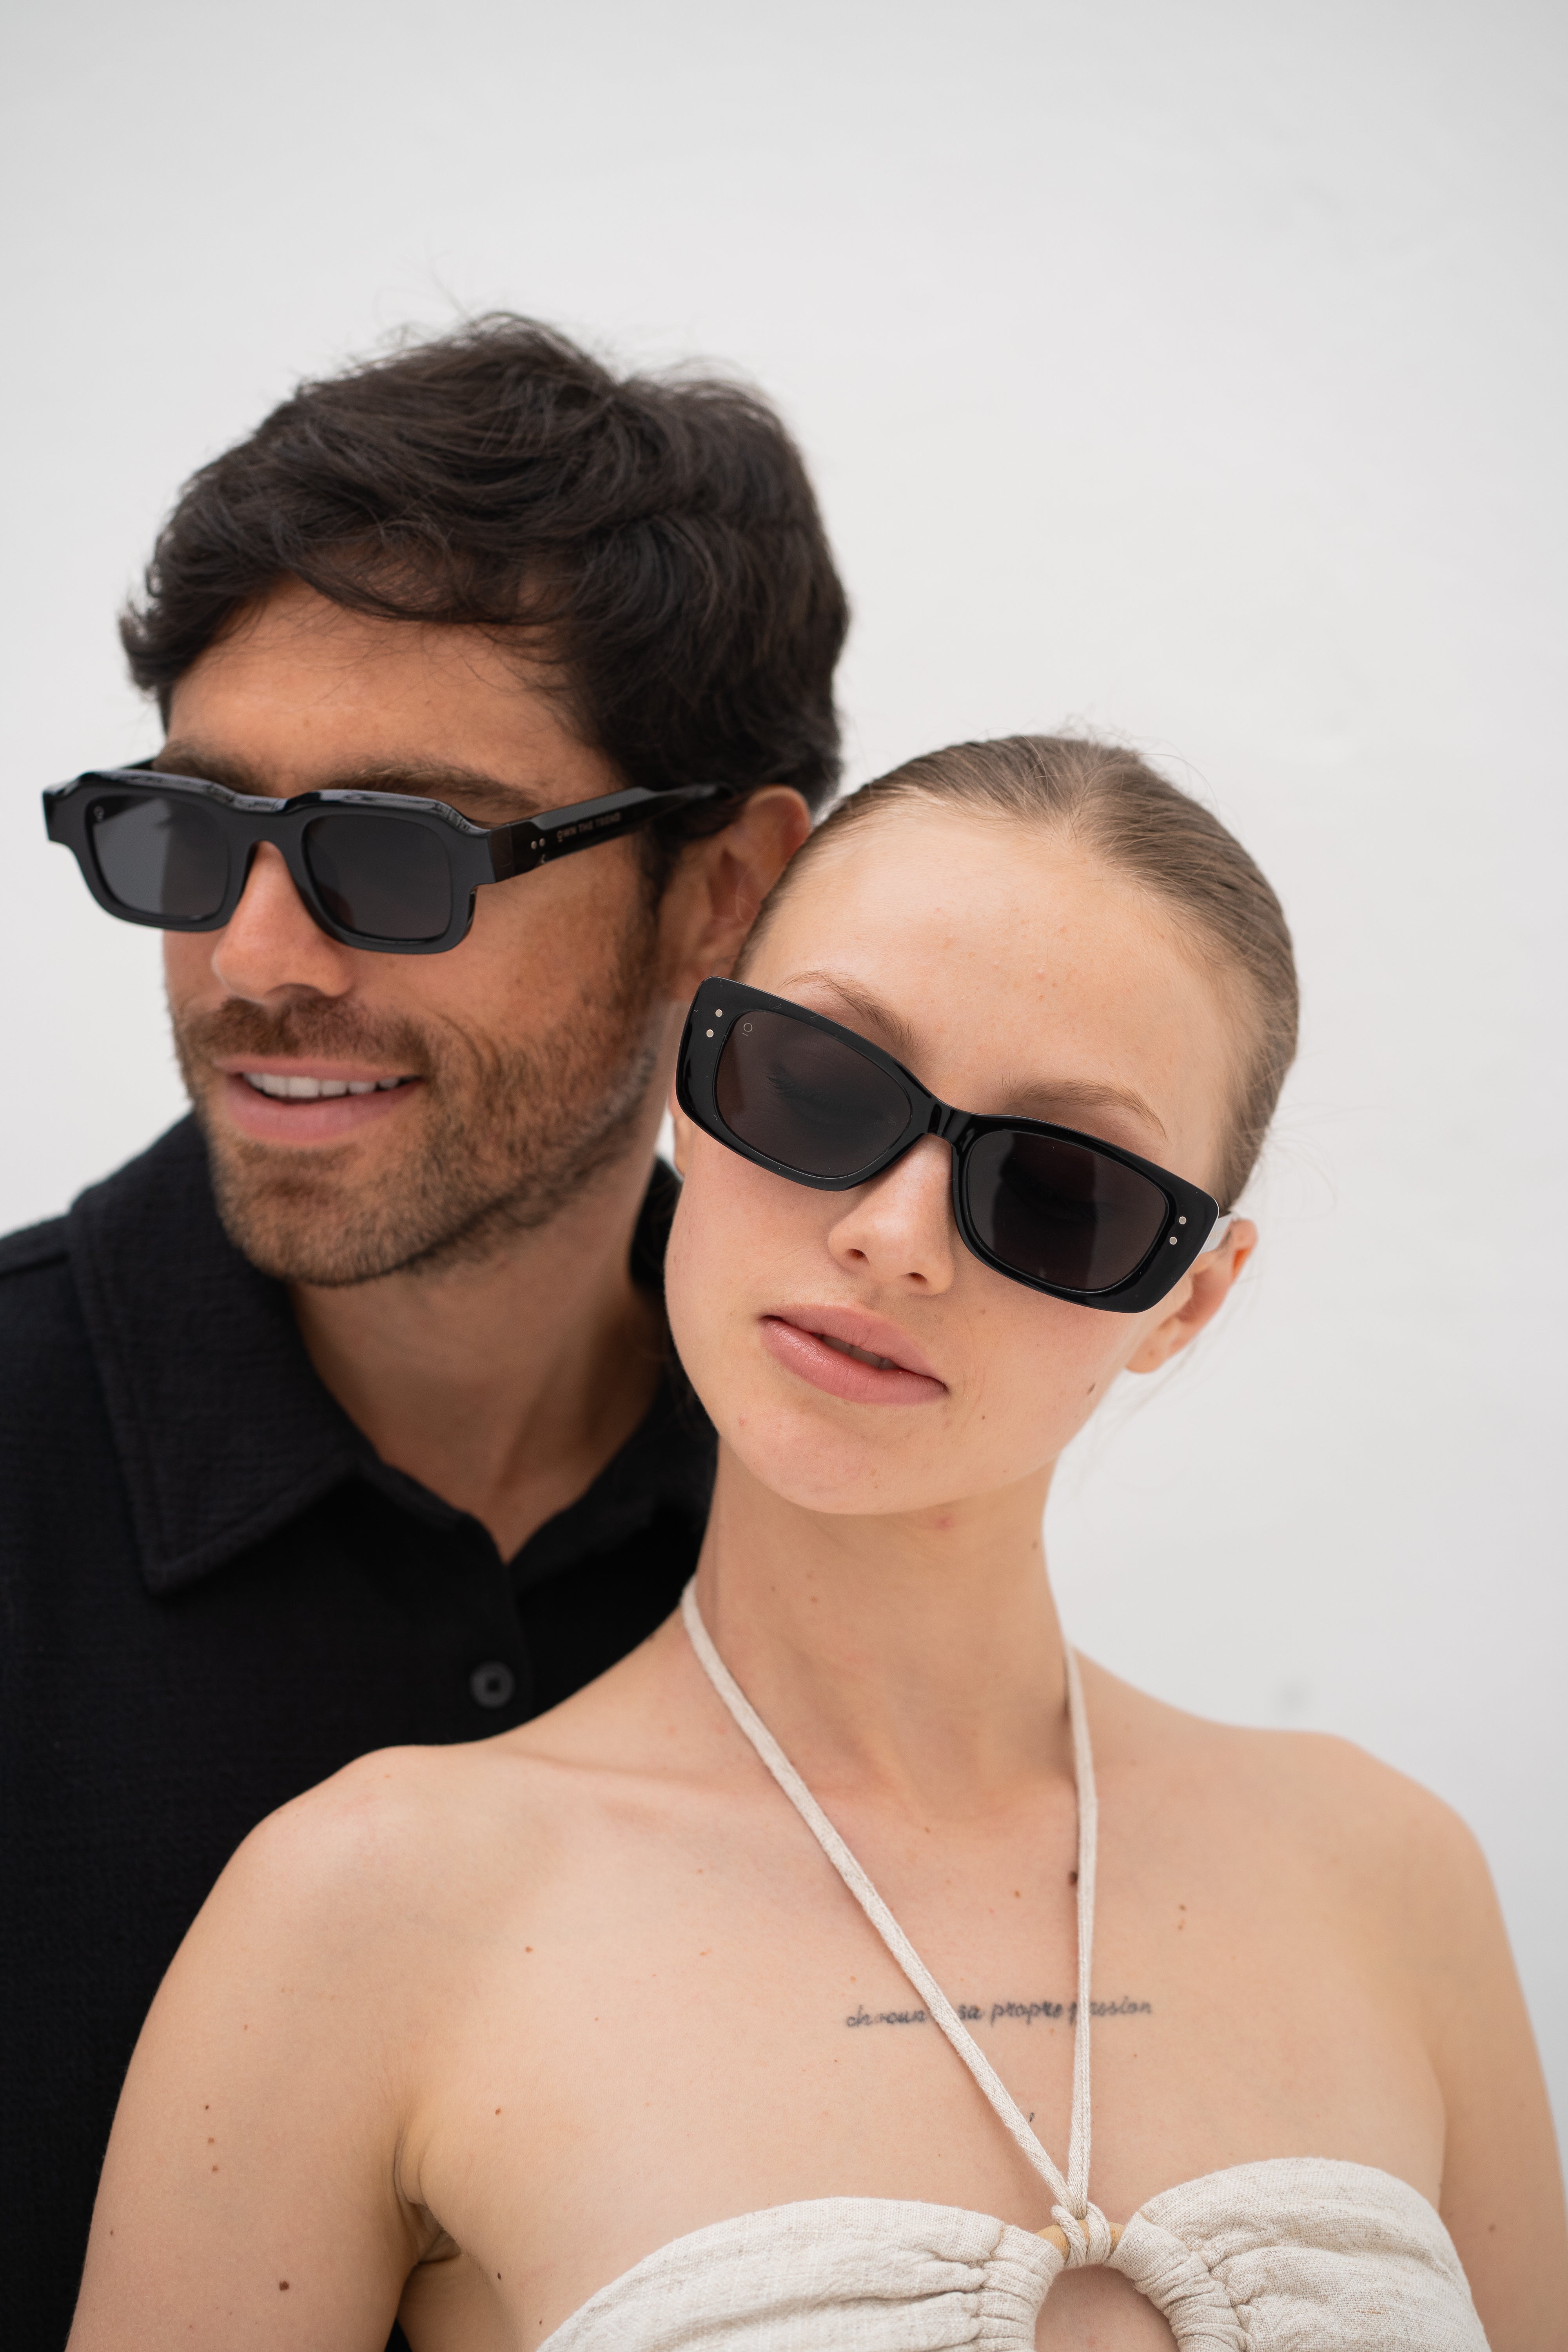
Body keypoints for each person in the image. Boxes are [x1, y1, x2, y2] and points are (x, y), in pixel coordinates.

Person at [65, 735, 1565, 2350]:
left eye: (1060, 1188)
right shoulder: (363, 1915)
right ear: (695, 1091)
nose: (892, 1235)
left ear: (1182, 1299)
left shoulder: (1389, 1879)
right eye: (816, 1086)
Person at [1, 314, 848, 2350]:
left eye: (399, 854)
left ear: (720, 888)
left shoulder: (853, 1504)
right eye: (193, 833)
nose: (253, 963)